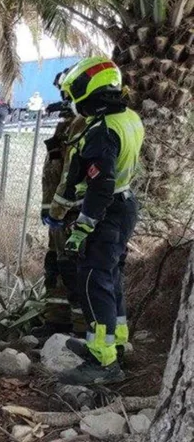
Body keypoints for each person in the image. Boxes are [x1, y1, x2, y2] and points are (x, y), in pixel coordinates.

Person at [47, 57, 144, 386]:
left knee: (93, 283)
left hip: (107, 212)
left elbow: (100, 187)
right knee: (111, 278)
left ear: (91, 94)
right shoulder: (129, 118)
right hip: (125, 205)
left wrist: (83, 228)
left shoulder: (102, 132)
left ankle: (102, 362)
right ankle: (115, 343)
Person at [35, 97, 88, 337]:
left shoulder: (83, 126)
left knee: (71, 271)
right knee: (55, 267)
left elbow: (70, 177)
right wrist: (49, 210)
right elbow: (52, 176)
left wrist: (60, 212)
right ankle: (55, 321)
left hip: (71, 215)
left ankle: (79, 329)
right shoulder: (65, 128)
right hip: (56, 217)